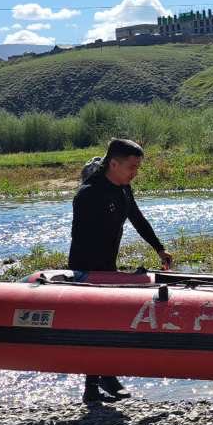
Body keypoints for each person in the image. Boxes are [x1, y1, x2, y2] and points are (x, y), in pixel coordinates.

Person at [67, 137, 175, 404]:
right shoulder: (88, 194)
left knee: (105, 324)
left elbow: (137, 218)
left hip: (108, 268)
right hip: (87, 269)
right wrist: (103, 277)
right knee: (96, 326)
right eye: (131, 167)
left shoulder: (124, 189)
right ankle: (100, 382)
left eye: (138, 167)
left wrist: (159, 249)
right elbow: (81, 239)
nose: (135, 173)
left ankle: (97, 385)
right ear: (113, 163)